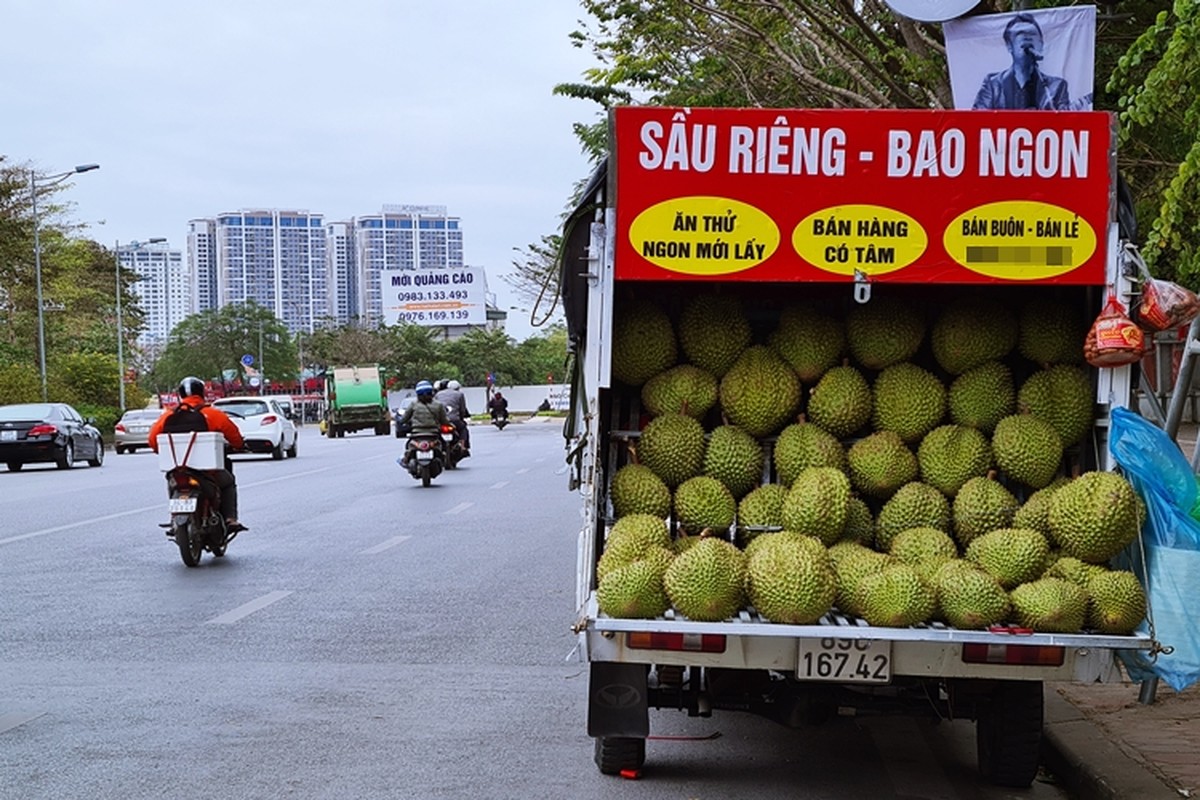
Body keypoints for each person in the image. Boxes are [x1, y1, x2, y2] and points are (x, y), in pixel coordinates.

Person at [148, 376, 247, 531]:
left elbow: (153, 441)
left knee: (173, 482)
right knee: (228, 483)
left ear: (180, 395)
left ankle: (174, 519)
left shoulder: (168, 415)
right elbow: (234, 436)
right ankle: (230, 519)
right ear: (202, 393)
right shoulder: (213, 414)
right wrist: (239, 446)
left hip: (178, 469)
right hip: (209, 472)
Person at [971, 13, 1071, 111]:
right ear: (1009, 46)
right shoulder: (993, 84)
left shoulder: (1057, 86)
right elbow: (977, 121)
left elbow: (1065, 121)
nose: (1026, 37)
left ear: (1041, 44)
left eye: (1032, 33)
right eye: (1019, 33)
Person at [399, 380, 450, 466]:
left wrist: (406, 422)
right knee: (443, 446)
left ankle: (405, 460)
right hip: (433, 434)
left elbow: (403, 419)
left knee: (408, 446)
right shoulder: (438, 405)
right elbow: (444, 420)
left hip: (416, 434)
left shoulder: (413, 404)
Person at [435, 379, 471, 453]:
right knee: (463, 429)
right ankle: (462, 445)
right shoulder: (460, 394)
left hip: (441, 420)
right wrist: (461, 418)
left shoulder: (438, 394)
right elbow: (462, 409)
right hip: (454, 420)